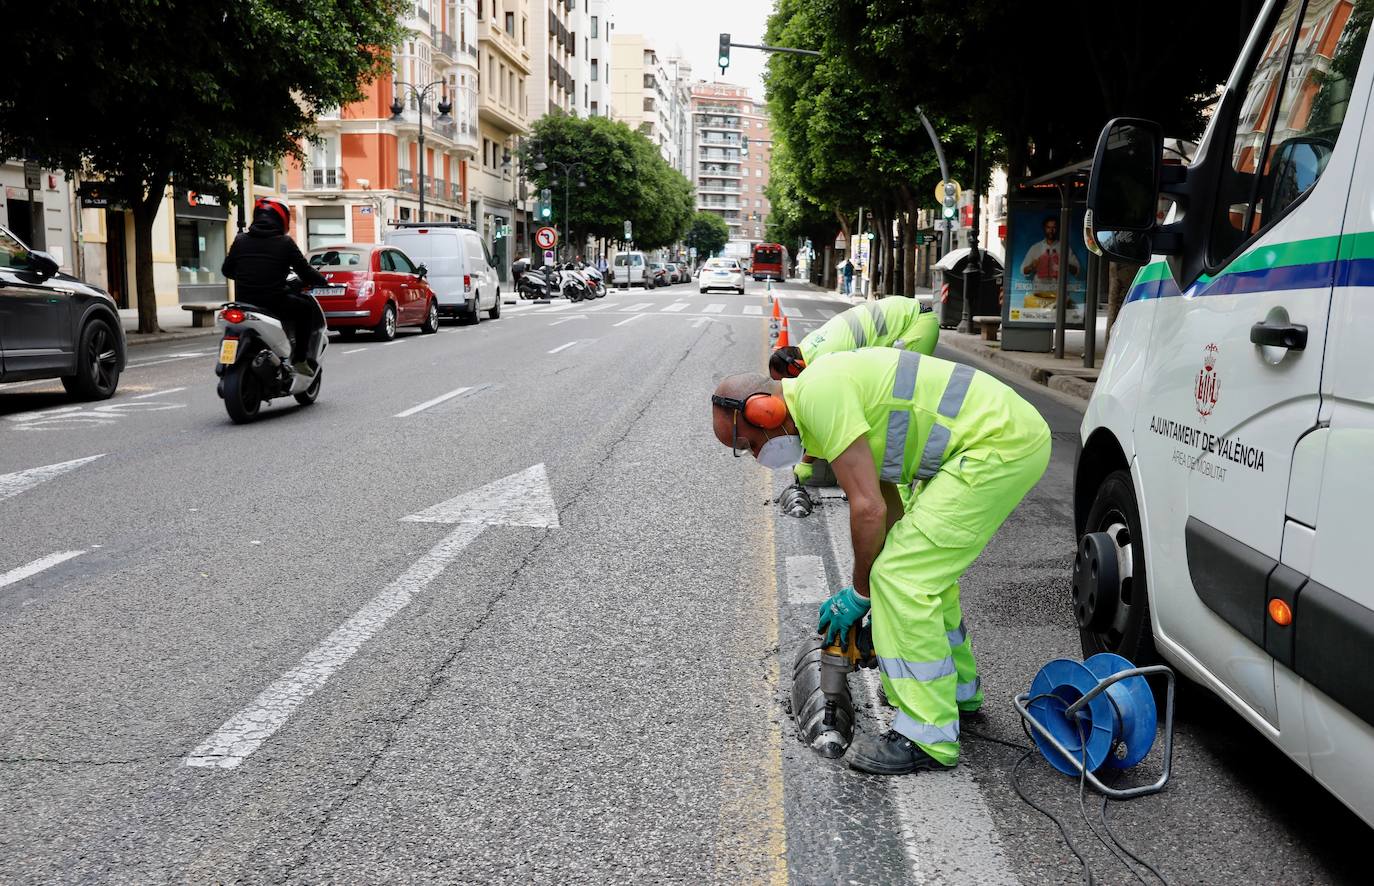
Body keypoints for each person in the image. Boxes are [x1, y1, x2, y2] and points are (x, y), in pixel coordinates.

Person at [710, 350, 1050, 774]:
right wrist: (879, 606)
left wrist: (860, 593)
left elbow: (867, 509)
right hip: (998, 439)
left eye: (748, 444)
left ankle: (928, 736)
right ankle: (958, 694)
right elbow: (887, 504)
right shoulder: (820, 408)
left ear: (765, 410)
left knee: (901, 577)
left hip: (996, 444)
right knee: (919, 570)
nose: (757, 455)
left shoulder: (820, 397)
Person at [768, 298, 940, 490]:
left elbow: (836, 415)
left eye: (789, 381)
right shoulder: (806, 348)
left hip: (916, 324)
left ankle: (902, 486)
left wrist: (807, 461)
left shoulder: (824, 361)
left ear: (796, 367)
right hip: (906, 313)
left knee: (897, 404)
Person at [222, 197, 329, 373]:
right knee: (305, 309)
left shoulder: (240, 240)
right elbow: (305, 271)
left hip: (244, 303)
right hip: (273, 302)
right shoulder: (285, 243)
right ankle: (300, 359)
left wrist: (245, 277)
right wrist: (322, 281)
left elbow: (226, 270)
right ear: (282, 220)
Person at [1019, 215, 1081, 296]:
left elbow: (1077, 271)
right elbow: (1023, 270)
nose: (1051, 230)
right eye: (1048, 227)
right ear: (1044, 229)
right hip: (1039, 293)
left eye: (1054, 227)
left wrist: (1064, 264)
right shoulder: (1036, 248)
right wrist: (1032, 266)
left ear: (1058, 229)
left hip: (1059, 294)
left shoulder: (1064, 248)